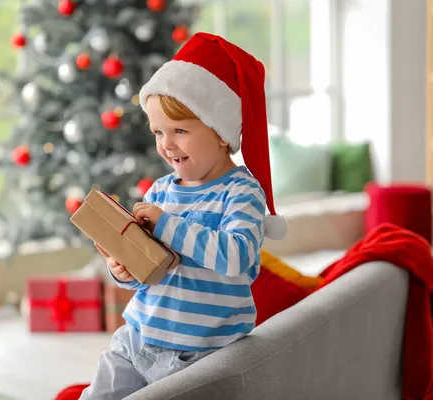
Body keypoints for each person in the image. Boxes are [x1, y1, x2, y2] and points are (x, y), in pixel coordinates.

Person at [79, 32, 287, 400]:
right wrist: (123, 270)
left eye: (179, 131)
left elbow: (237, 257)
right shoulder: (160, 192)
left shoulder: (241, 193)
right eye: (158, 131)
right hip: (137, 340)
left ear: (221, 133)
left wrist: (168, 225)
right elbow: (150, 273)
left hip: (199, 357)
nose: (166, 144)